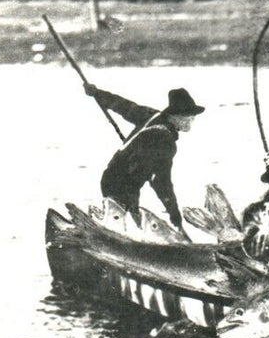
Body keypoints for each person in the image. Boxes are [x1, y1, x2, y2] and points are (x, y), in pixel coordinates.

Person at [84, 84, 204, 230]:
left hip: (110, 177)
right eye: (190, 117)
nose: (191, 121)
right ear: (177, 117)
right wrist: (174, 215)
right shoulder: (166, 142)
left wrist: (97, 93)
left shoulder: (151, 116)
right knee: (129, 227)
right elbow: (162, 182)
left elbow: (123, 106)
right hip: (125, 186)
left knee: (126, 223)